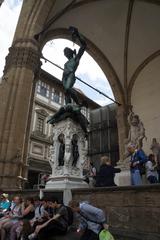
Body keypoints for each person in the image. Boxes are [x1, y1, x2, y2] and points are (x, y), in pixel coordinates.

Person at [62, 26, 86, 105]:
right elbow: (64, 72)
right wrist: (63, 79)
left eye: (66, 52)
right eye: (64, 53)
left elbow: (83, 46)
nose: (65, 54)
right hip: (64, 77)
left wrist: (78, 34)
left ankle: (78, 102)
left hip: (71, 75)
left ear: (70, 52)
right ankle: (68, 106)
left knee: (68, 89)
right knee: (66, 92)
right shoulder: (66, 63)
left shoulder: (76, 59)